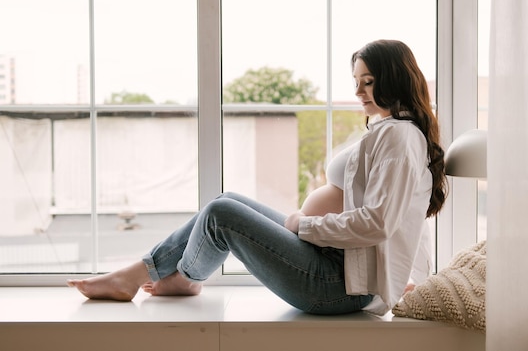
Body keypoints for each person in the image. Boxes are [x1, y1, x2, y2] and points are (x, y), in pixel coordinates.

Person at [67, 39, 447, 316]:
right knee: (224, 201)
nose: (357, 90)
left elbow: (380, 223)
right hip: (331, 263)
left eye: (367, 81)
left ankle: (170, 278)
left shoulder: (400, 136)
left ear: (393, 78)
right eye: (357, 80)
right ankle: (159, 274)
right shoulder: (394, 131)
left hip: (336, 284)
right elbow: (406, 219)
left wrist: (305, 225)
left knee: (221, 216)